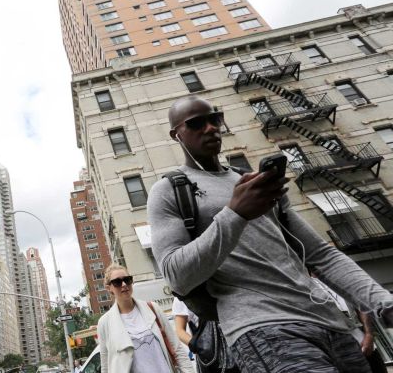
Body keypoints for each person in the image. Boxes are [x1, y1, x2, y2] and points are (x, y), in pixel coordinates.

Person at [148, 95, 393, 372]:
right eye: (195, 124)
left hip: (330, 322)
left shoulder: (255, 181)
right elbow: (175, 274)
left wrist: (382, 301)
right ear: (176, 134)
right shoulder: (169, 190)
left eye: (215, 119)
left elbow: (321, 255)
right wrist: (235, 213)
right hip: (263, 327)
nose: (210, 128)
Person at [96, 264, 194, 373]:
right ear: (109, 288)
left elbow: (177, 349)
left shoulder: (152, 308)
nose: (124, 284)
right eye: (117, 282)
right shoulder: (105, 323)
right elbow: (106, 365)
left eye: (127, 280)